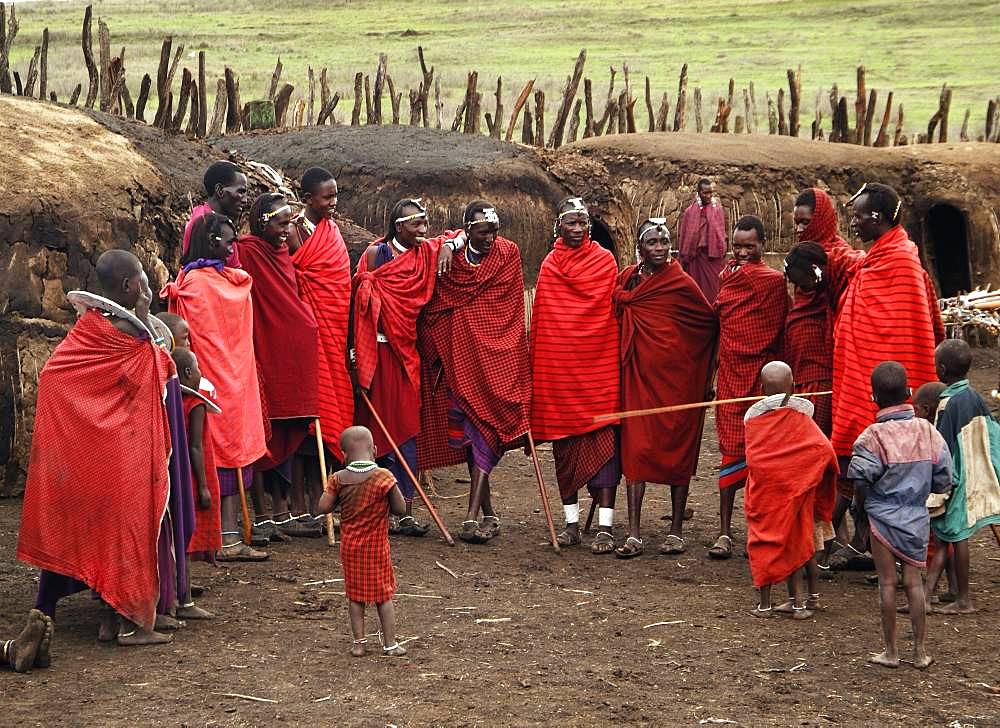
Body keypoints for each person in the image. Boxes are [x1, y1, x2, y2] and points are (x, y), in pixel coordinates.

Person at [19, 249, 176, 645]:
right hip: (121, 453)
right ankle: (125, 623)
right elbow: (157, 375)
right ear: (128, 285)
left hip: (85, 453)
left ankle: (105, 620)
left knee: (97, 528)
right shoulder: (129, 341)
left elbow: (56, 377)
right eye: (143, 278)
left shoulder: (88, 331)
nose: (149, 286)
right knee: (125, 530)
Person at [831, 184, 944, 562]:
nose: (855, 223)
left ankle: (897, 553)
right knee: (860, 469)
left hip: (890, 396)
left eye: (859, 216)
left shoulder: (902, 264)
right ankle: (867, 545)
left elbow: (906, 329)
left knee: (889, 472)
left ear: (877, 218)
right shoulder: (876, 258)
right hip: (862, 386)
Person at [416, 201, 531, 543]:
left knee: (487, 431)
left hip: (497, 358)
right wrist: (450, 246)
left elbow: (507, 308)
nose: (491, 238)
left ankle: (471, 517)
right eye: (483, 232)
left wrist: (473, 324)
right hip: (461, 359)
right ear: (467, 231)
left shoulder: (508, 253)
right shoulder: (450, 260)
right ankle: (488, 513)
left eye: (495, 231)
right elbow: (435, 306)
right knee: (471, 434)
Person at [161, 213, 268, 562]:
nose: (232, 247)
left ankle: (230, 534)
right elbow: (191, 338)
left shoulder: (228, 280)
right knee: (213, 456)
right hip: (208, 380)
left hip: (236, 378)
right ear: (211, 243)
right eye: (227, 241)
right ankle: (221, 537)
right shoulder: (194, 284)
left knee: (234, 453)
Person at [612, 218, 716, 558]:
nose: (659, 248)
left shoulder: (680, 283)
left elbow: (708, 322)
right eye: (652, 242)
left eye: (664, 241)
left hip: (678, 381)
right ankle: (634, 533)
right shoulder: (629, 279)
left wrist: (703, 377)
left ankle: (675, 531)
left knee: (678, 448)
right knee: (637, 449)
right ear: (640, 247)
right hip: (639, 377)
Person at [352, 198, 455, 536]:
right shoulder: (375, 255)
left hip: (406, 354)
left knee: (408, 428)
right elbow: (359, 305)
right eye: (416, 225)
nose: (424, 231)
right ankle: (377, 507)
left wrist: (449, 246)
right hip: (377, 353)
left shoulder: (425, 253)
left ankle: (405, 511)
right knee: (378, 432)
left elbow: (460, 235)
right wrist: (354, 354)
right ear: (399, 227)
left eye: (426, 224)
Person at [531, 197, 621, 554]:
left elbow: (609, 313)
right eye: (571, 222)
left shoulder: (604, 261)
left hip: (598, 369)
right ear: (558, 226)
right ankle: (570, 523)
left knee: (606, 449)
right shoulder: (551, 265)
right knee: (564, 450)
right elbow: (543, 321)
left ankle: (606, 527)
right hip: (560, 372)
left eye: (583, 221)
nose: (578, 228)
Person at [847, 361, 951, 669]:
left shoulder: (872, 437)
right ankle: (919, 652)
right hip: (916, 518)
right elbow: (944, 477)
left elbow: (860, 479)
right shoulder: (927, 431)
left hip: (881, 518)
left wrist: (862, 510)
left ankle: (891, 652)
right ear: (908, 392)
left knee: (888, 583)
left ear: (873, 397)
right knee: (914, 583)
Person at [238, 193, 321, 540]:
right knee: (261, 429)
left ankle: (284, 509)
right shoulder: (247, 250)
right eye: (281, 223)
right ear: (261, 223)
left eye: (289, 223)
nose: (287, 230)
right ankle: (262, 512)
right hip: (264, 351)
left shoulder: (282, 252)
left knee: (289, 428)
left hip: (292, 357)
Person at [711, 215, 789, 559]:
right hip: (729, 375)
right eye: (738, 245)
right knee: (730, 449)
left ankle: (760, 529)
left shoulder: (773, 283)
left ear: (763, 245)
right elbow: (722, 324)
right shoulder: (726, 278)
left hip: (760, 377)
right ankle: (725, 532)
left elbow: (777, 329)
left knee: (763, 456)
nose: (742, 252)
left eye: (749, 246)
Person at [744, 362, 838, 618]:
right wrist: (807, 477)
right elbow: (824, 450)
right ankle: (798, 605)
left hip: (766, 497)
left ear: (762, 390)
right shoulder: (801, 422)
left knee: (764, 543)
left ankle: (764, 605)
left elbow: (754, 461)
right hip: (796, 495)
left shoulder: (756, 425)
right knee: (797, 545)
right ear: (794, 386)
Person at [288, 167, 354, 524]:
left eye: (335, 195)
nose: (333, 202)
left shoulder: (331, 231)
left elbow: (338, 283)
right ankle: (304, 506)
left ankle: (324, 498)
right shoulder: (296, 231)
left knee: (336, 412)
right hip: (310, 335)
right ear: (308, 198)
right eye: (327, 197)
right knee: (308, 422)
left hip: (334, 332)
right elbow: (301, 278)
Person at [316, 426, 408, 657]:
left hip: (351, 548)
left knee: (355, 596)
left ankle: (359, 644)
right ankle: (389, 644)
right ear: (374, 450)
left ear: (344, 455)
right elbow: (400, 509)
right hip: (376, 548)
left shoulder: (339, 479)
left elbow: (323, 507)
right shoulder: (384, 477)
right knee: (383, 596)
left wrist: (337, 495)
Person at [924, 339, 1000, 615]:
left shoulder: (947, 403)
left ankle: (964, 599)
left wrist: (940, 482)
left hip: (958, 477)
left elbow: (941, 447)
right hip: (975, 470)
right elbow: (993, 433)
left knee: (957, 533)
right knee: (949, 534)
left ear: (941, 370)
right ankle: (950, 591)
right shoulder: (975, 396)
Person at [172, 347, 219, 620]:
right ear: (188, 373)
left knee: (179, 540)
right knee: (187, 539)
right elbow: (196, 446)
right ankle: (184, 598)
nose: (201, 372)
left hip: (180, 474)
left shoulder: (174, 399)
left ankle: (181, 589)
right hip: (194, 475)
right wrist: (202, 486)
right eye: (198, 368)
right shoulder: (195, 403)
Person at [912, 380, 958, 603]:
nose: (914, 413)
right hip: (949, 493)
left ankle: (927, 595)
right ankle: (954, 588)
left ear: (926, 410)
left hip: (939, 497)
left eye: (916, 408)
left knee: (937, 543)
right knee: (947, 541)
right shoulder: (943, 429)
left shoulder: (932, 435)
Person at [182, 160, 247, 268]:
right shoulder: (204, 224)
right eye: (240, 192)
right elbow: (208, 276)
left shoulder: (217, 222)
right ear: (220, 190)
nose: (245, 200)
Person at [677, 178, 727, 303]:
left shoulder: (717, 210)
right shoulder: (690, 212)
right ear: (699, 192)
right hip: (695, 258)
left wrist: (721, 248)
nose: (709, 196)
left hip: (712, 258)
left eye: (711, 193)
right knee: (695, 292)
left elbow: (721, 233)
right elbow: (685, 236)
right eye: (705, 193)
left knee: (714, 291)